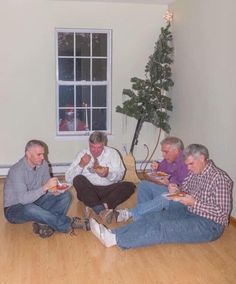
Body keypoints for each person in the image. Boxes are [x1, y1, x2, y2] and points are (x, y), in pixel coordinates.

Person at [89, 143, 233, 249]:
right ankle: (113, 233)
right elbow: (185, 189)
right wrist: (175, 188)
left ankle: (116, 239)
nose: (188, 168)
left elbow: (222, 215)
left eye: (190, 164)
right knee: (152, 217)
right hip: (188, 211)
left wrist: (195, 203)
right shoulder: (195, 172)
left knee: (163, 229)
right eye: (187, 164)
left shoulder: (220, 179)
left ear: (202, 158)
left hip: (209, 225)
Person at [3, 140, 90, 238]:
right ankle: (67, 224)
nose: (42, 157)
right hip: (14, 209)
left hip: (35, 201)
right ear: (28, 154)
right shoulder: (17, 170)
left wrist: (54, 190)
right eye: (39, 154)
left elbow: (47, 186)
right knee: (30, 208)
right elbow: (23, 200)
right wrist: (45, 187)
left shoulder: (43, 164)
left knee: (66, 196)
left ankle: (46, 225)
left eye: (43, 154)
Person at [65, 131, 136, 223]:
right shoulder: (82, 154)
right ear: (89, 144)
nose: (95, 151)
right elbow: (68, 179)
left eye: (99, 148)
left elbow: (120, 176)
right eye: (92, 147)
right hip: (88, 190)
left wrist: (107, 174)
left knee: (129, 186)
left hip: (108, 189)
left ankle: (97, 207)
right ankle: (101, 209)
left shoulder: (113, 153)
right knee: (78, 179)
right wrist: (81, 165)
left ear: (104, 144)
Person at [116, 136, 188, 222]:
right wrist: (157, 166)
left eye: (165, 152)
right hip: (169, 188)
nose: (163, 155)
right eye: (163, 152)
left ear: (176, 151)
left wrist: (169, 182)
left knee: (165, 196)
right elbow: (162, 169)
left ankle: (131, 213)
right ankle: (142, 219)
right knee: (143, 184)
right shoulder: (169, 158)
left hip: (181, 196)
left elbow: (185, 188)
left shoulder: (186, 163)